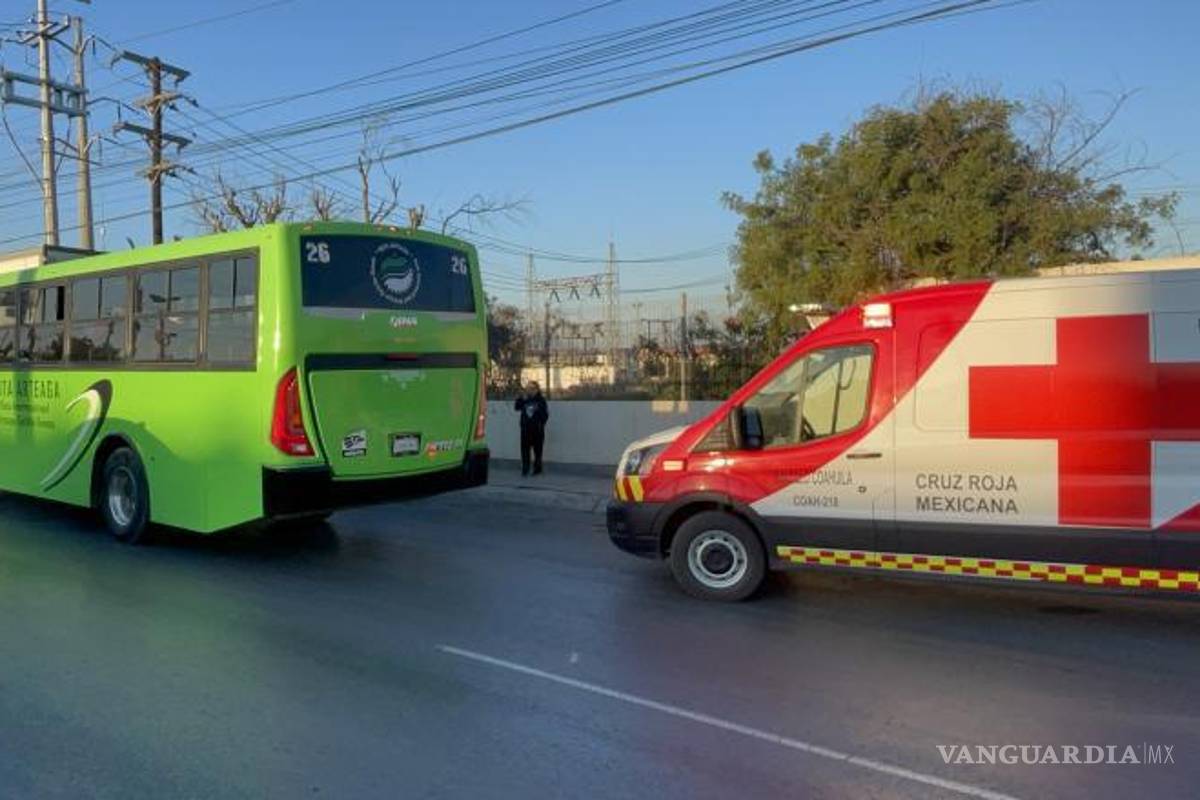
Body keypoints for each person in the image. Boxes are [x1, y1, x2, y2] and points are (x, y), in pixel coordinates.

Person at [514, 381, 549, 476]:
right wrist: (520, 397)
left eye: (532, 388)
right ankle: (525, 469)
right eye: (528, 388)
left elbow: (545, 415)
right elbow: (517, 407)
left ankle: (537, 469)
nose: (530, 390)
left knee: (537, 451)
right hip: (525, 430)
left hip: (537, 430)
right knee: (525, 450)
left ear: (537, 389)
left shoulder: (541, 400)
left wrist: (540, 425)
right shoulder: (526, 399)